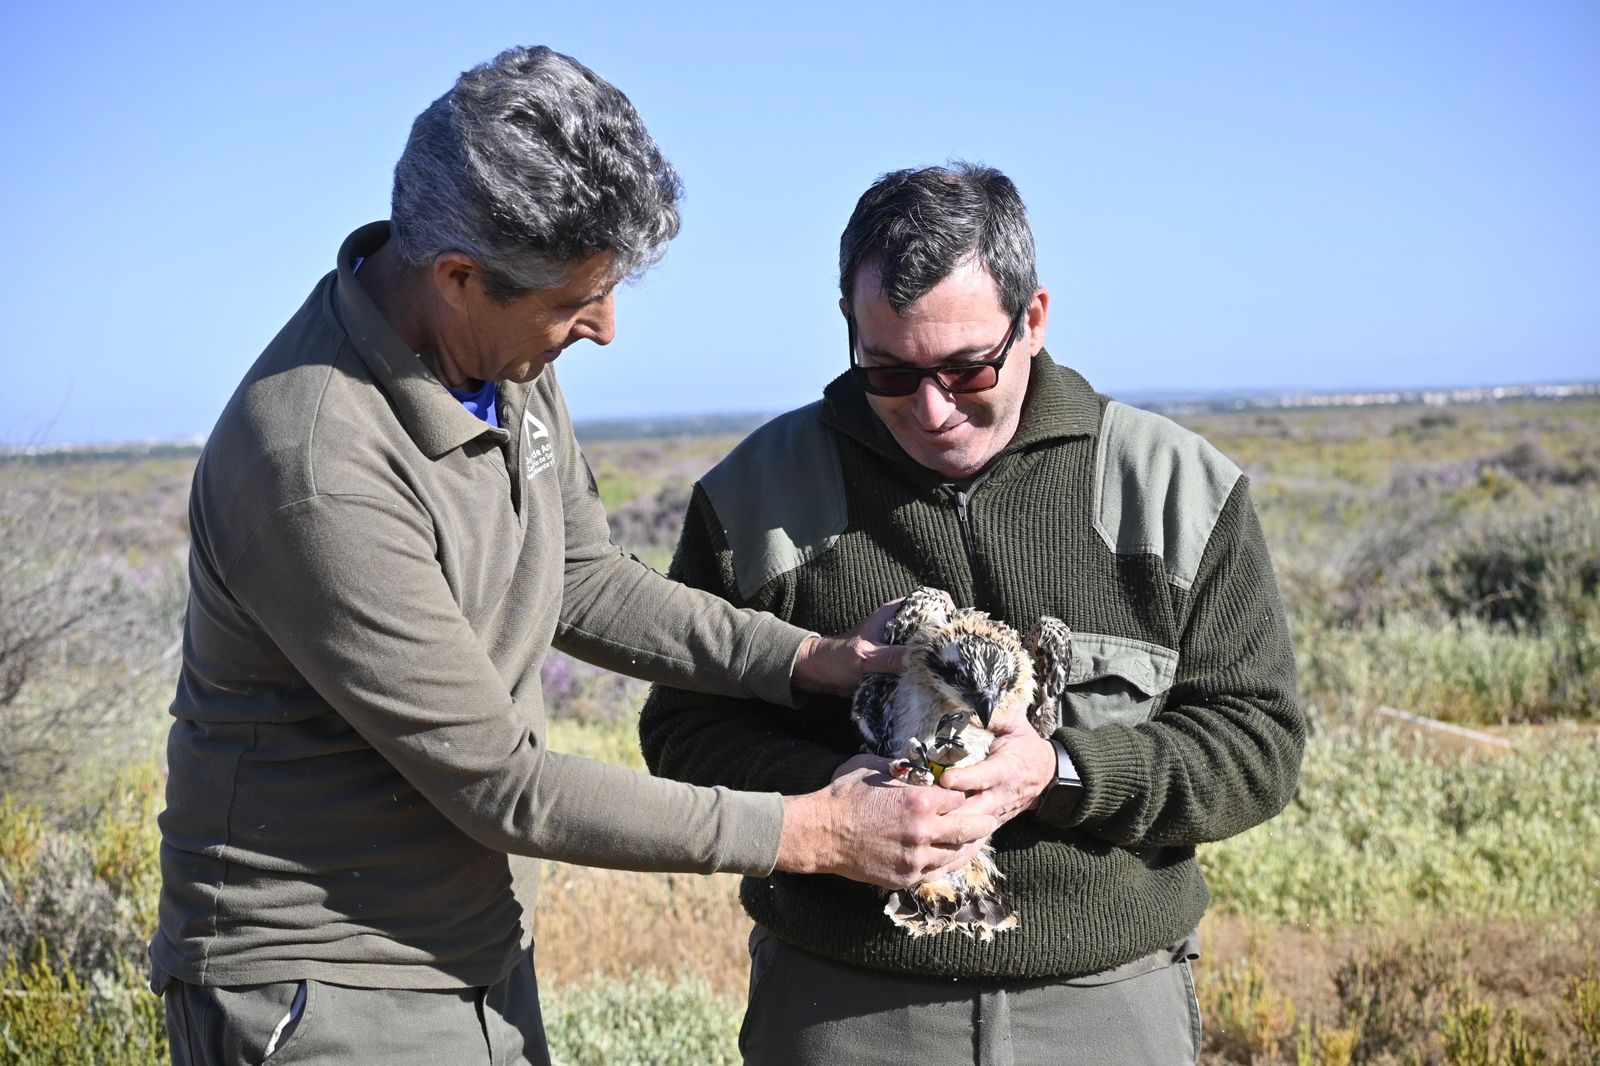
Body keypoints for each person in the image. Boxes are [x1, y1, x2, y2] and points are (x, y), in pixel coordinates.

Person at [148, 49, 998, 1066]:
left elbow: (584, 579)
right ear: (458, 277)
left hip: (472, 951)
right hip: (323, 986)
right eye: (573, 302)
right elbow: (503, 785)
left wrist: (813, 659)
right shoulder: (316, 461)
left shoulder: (495, 357)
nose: (600, 329)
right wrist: (816, 831)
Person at [639, 162, 1306, 1065]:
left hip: (1105, 1008)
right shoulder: (756, 496)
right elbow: (685, 731)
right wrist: (842, 799)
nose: (931, 409)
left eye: (966, 367)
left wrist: (1065, 773)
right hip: (842, 1010)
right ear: (850, 330)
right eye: (889, 371)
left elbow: (1257, 746)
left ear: (1032, 318)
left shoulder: (1177, 490)